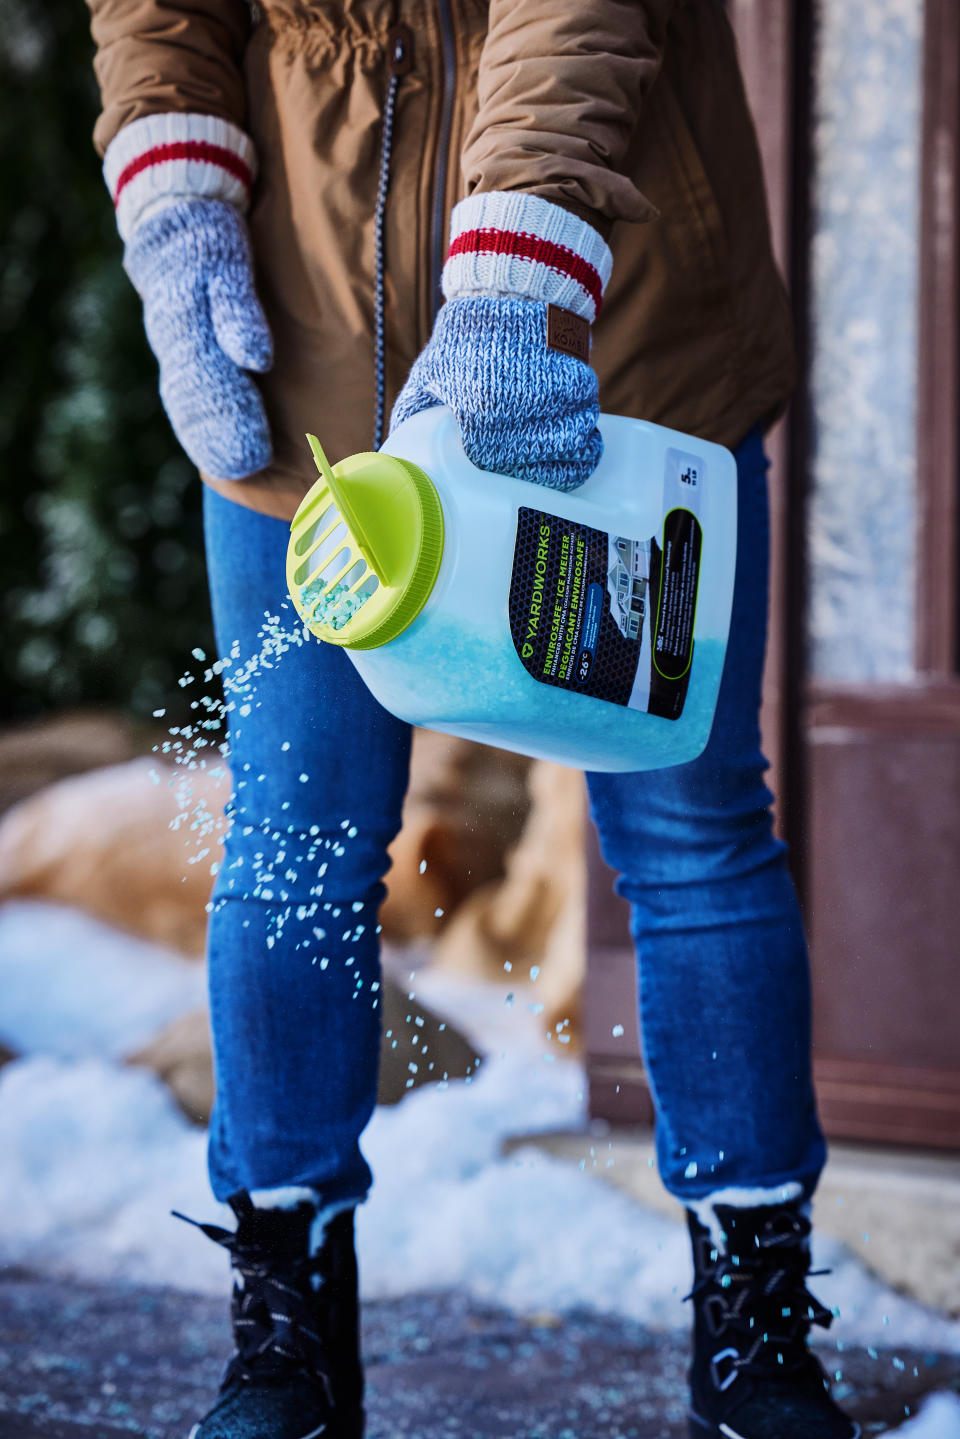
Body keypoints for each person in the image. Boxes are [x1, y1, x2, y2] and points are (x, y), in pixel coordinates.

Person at [84, 2, 857, 1436]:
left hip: (610, 330)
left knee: (692, 827)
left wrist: (515, 279)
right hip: (314, 335)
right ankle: (285, 1314)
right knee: (297, 836)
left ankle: (756, 1310)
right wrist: (180, 212)